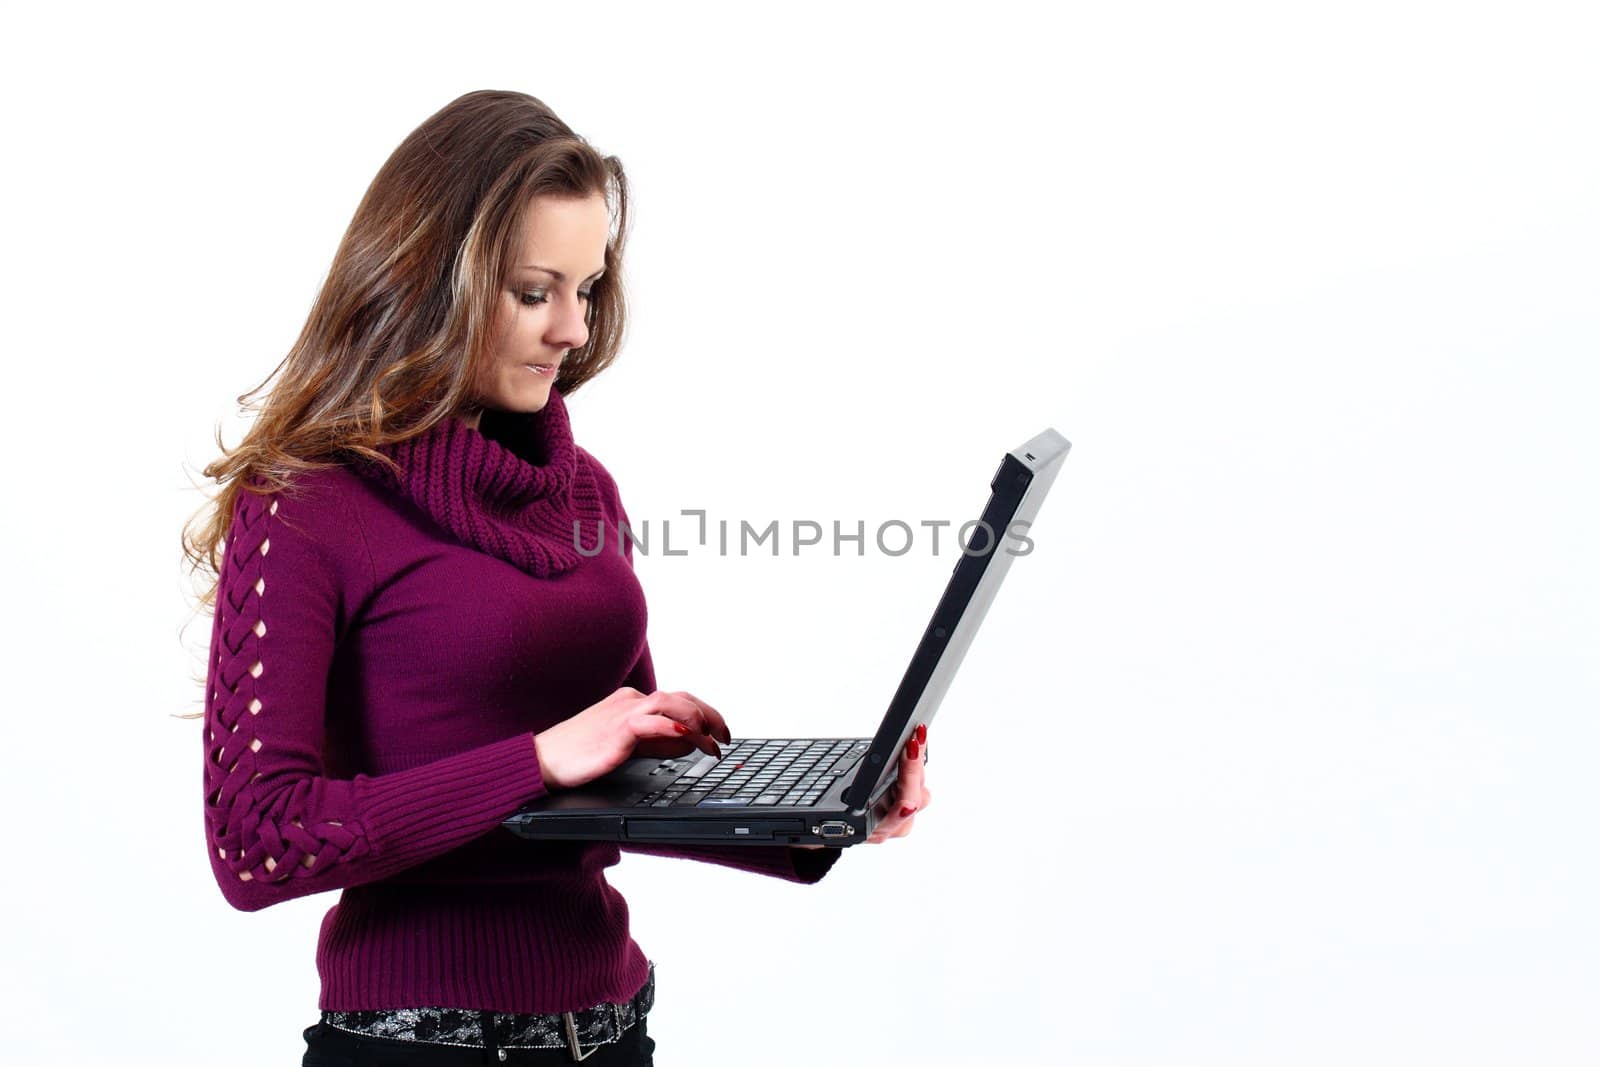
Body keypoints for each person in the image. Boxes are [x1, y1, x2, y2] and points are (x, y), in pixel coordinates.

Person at [181, 89, 933, 1066]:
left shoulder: (583, 492)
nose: (572, 328)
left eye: (585, 288)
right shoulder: (308, 504)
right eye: (536, 290)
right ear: (430, 281)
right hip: (420, 1048)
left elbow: (624, 781)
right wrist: (533, 757)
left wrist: (829, 814)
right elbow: (256, 839)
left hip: (610, 1030)